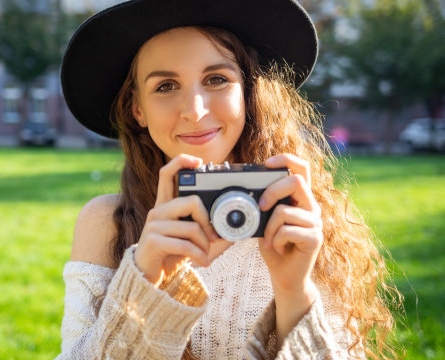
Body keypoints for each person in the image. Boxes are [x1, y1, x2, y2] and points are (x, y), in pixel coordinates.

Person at [57, 0, 397, 358]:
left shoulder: (299, 214)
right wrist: (144, 277)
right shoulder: (106, 223)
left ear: (248, 92)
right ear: (136, 107)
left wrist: (293, 290)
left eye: (217, 79)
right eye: (165, 86)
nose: (195, 110)